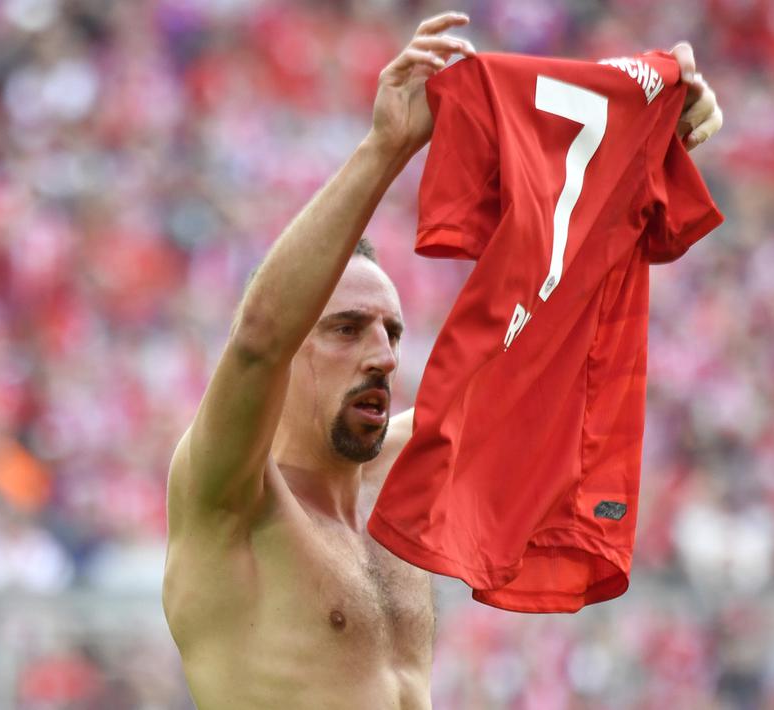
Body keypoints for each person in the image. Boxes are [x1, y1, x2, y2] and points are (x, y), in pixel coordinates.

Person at [162, 12, 723, 709]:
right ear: (289, 353)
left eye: (391, 333)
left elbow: (557, 328)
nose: (381, 355)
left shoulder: (406, 474)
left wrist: (645, 136)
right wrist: (385, 148)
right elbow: (257, 340)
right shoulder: (229, 497)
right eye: (344, 329)